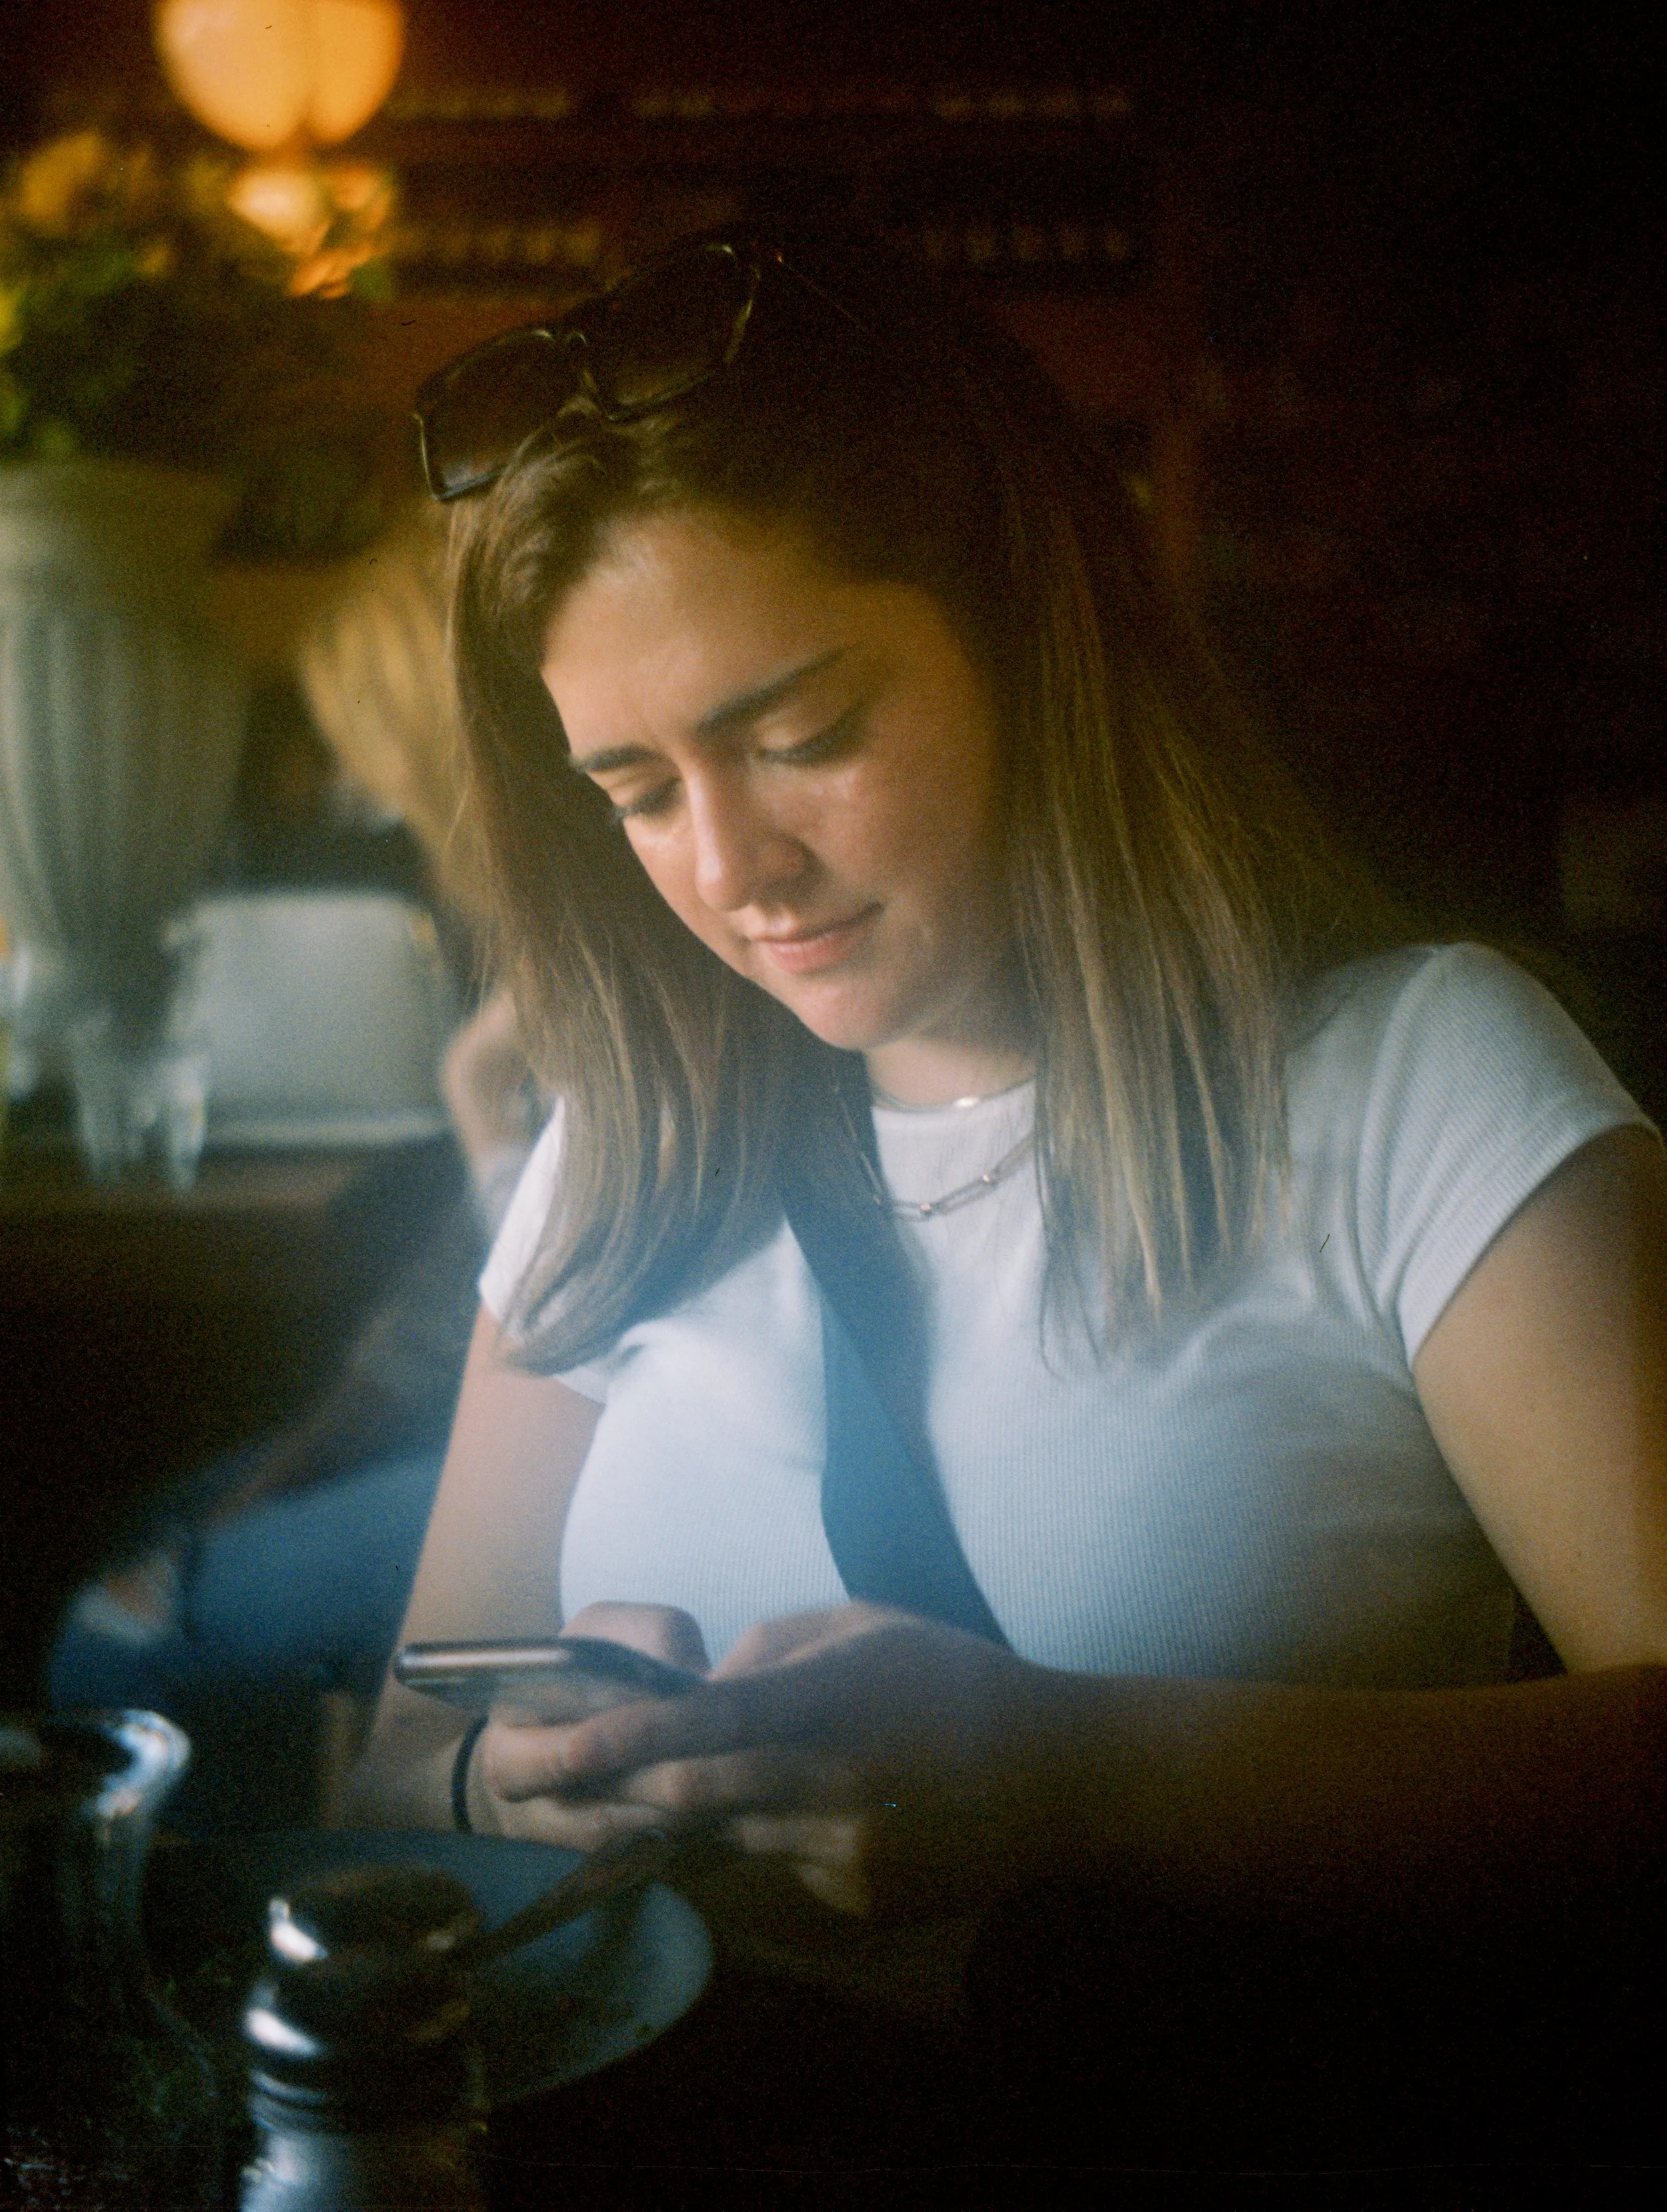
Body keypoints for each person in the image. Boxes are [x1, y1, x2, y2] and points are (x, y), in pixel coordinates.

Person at [344, 234, 1667, 2173]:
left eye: (800, 735)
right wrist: (513, 1780)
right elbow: (392, 1753)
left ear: (1035, 639)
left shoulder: (1418, 1083)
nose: (732, 867)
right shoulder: (620, 1153)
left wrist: (1085, 1773)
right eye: (634, 789)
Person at [49, 513, 542, 1835]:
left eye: (374, 755)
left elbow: (548, 1312)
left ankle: (224, 1952)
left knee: (110, 1649)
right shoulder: (521, 936)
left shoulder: (590, 950)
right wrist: (301, 1461)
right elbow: (459, 1305)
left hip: (567, 1452)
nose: (364, 794)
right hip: (483, 1408)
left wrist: (482, 1115)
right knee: (137, 1523)